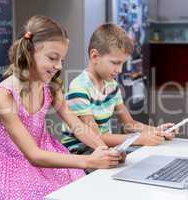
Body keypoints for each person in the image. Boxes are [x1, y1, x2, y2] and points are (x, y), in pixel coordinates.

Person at [0, 15, 122, 199]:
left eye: (62, 61)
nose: (58, 66)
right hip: (16, 167)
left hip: (49, 158)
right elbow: (33, 155)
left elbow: (79, 127)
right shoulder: (5, 96)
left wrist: (105, 151)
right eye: (52, 58)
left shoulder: (51, 88)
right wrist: (90, 160)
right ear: (29, 52)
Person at [62, 23, 177, 153]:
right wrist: (138, 139)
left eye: (122, 63)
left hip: (104, 150)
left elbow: (129, 124)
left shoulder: (112, 85)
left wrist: (157, 131)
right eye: (115, 63)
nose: (119, 70)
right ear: (94, 56)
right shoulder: (79, 88)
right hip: (81, 154)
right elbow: (95, 138)